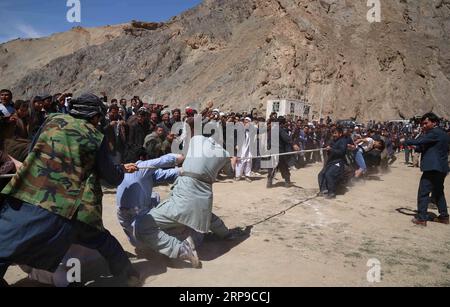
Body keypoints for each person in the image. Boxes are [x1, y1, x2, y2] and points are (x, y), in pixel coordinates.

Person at [0, 93, 141, 287]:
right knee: (99, 238)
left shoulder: (52, 120)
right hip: (65, 206)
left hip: (26, 195)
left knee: (5, 245)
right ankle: (130, 276)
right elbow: (112, 177)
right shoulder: (95, 136)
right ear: (95, 116)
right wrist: (120, 168)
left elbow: (33, 149)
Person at [133, 118, 243, 268]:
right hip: (203, 200)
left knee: (141, 226)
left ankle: (180, 248)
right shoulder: (224, 153)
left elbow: (193, 126)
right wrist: (233, 161)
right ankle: (225, 234)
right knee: (202, 213)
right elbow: (230, 174)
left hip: (182, 197)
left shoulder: (196, 140)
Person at [116, 151, 184, 248]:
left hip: (122, 214)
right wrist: (181, 157)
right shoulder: (139, 166)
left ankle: (141, 240)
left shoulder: (124, 171)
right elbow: (162, 161)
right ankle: (157, 235)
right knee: (155, 197)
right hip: (137, 211)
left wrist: (179, 171)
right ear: (141, 157)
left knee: (138, 241)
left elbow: (162, 175)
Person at [406, 113, 450, 226]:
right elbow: (425, 147)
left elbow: (419, 141)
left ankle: (421, 218)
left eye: (426, 123)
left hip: (433, 168)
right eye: (422, 123)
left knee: (423, 193)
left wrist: (405, 141)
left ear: (434, 122)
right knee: (439, 193)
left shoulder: (434, 132)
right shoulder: (442, 134)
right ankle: (444, 217)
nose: (423, 125)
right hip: (441, 167)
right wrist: (415, 147)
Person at [318, 127, 348, 199]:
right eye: (333, 133)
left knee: (329, 174)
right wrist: (327, 148)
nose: (334, 135)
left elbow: (341, 152)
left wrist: (331, 149)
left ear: (340, 134)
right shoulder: (333, 141)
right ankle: (324, 190)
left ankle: (332, 193)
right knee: (321, 174)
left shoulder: (343, 141)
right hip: (331, 162)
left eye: (335, 133)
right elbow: (328, 149)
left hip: (338, 162)